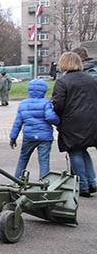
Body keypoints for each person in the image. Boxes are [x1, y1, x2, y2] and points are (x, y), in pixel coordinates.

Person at [51, 51, 97, 197]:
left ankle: (83, 185)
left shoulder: (63, 81)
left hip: (72, 122)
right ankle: (92, 182)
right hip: (91, 120)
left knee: (75, 151)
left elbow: (58, 105)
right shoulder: (91, 79)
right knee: (83, 151)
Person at [9, 78, 59, 179]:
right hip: (45, 137)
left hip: (29, 136)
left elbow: (18, 123)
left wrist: (13, 137)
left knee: (23, 158)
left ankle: (17, 180)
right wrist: (59, 122)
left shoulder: (23, 104)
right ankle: (44, 184)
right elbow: (50, 117)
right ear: (44, 91)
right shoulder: (46, 103)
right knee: (44, 160)